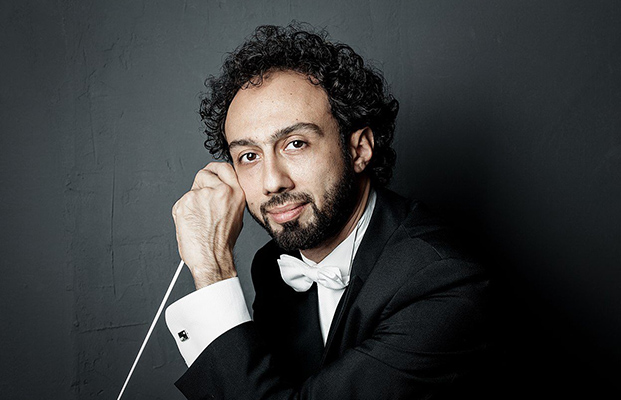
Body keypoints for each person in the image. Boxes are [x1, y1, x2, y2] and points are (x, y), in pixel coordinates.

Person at [165, 23, 491, 399]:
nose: (272, 181)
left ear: (359, 149)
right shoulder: (272, 266)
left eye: (295, 143)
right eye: (249, 156)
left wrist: (214, 271)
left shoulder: (443, 282)